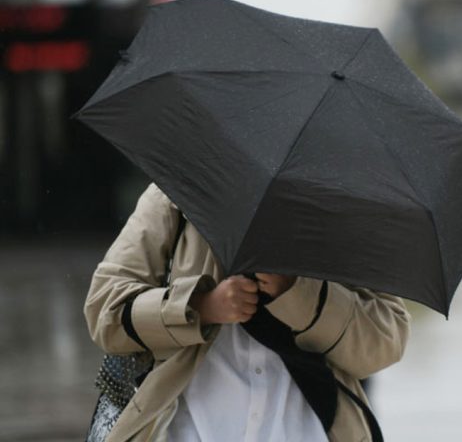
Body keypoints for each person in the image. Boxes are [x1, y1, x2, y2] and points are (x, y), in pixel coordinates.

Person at [84, 182, 411, 441]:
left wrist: (299, 294)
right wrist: (199, 307)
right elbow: (104, 310)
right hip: (187, 429)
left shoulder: (342, 207)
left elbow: (385, 341)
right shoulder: (176, 192)